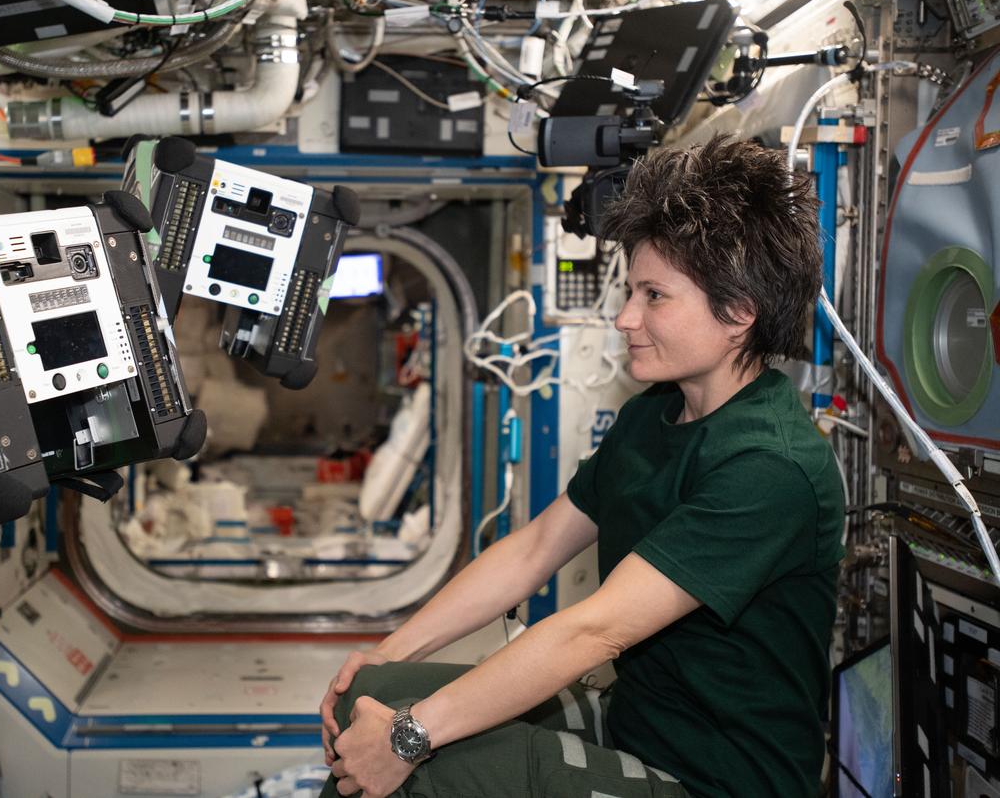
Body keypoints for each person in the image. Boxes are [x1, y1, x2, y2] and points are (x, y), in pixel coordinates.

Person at [317, 134, 845, 798]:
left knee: (418, 764)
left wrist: (409, 736)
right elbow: (535, 548)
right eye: (632, 291)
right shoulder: (653, 415)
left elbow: (594, 628)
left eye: (654, 296)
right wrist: (390, 651)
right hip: (639, 721)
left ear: (739, 313)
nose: (625, 318)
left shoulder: (771, 467)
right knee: (366, 696)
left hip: (716, 778)